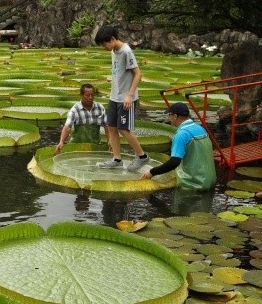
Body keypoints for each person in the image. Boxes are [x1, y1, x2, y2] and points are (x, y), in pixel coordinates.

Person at [94, 25, 149, 171]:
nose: (103, 47)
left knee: (124, 129)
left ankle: (142, 156)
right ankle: (117, 159)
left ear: (112, 39)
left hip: (126, 98)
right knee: (111, 127)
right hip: (115, 97)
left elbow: (138, 74)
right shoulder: (114, 50)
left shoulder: (126, 51)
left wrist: (129, 96)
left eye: (104, 44)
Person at [141, 102, 216, 190]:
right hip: (210, 180)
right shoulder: (200, 128)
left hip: (192, 184)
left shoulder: (181, 135)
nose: (169, 118)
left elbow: (174, 162)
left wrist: (152, 172)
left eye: (170, 115)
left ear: (175, 116)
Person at [56, 83, 107, 153]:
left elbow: (107, 126)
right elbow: (67, 127)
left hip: (95, 146)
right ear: (81, 95)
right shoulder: (75, 110)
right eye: (87, 95)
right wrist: (61, 142)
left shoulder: (100, 108)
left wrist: (110, 141)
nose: (90, 97)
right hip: (77, 147)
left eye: (92, 95)